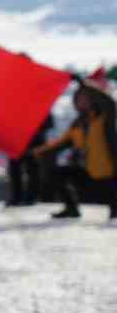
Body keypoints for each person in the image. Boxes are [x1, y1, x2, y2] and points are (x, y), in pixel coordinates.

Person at [33, 80, 117, 220]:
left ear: (93, 98)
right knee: (57, 173)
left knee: (112, 195)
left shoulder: (105, 117)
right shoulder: (77, 124)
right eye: (78, 98)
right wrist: (40, 150)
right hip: (88, 174)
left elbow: (109, 103)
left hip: (109, 173)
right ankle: (71, 208)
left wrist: (82, 83)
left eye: (85, 97)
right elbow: (62, 143)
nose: (81, 101)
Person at [7, 114, 53, 207]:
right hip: (16, 140)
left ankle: (30, 197)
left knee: (33, 170)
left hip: (35, 142)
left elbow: (49, 123)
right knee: (14, 169)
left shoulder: (39, 105)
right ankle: (16, 197)